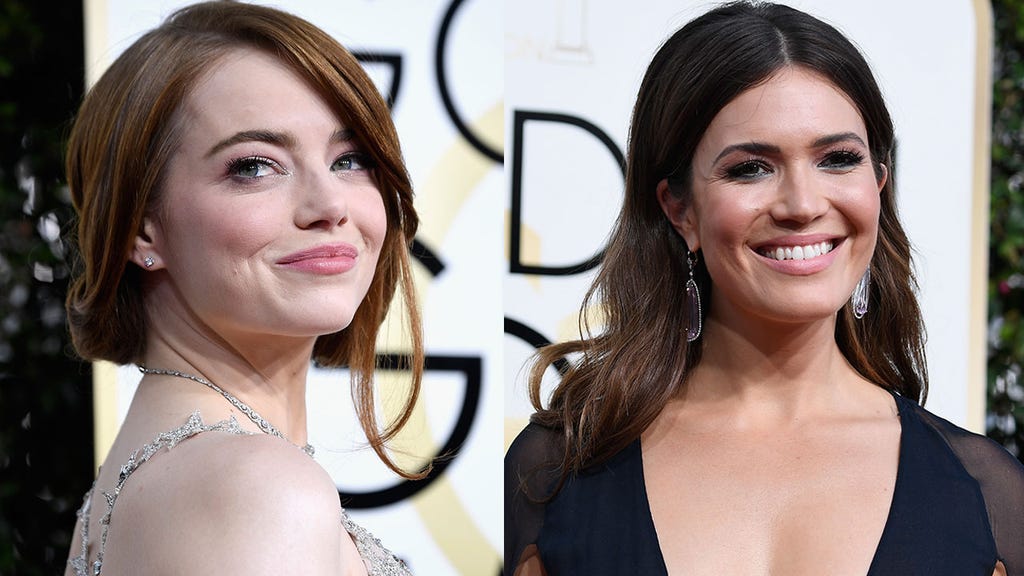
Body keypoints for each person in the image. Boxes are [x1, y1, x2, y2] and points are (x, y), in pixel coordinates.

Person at [504, 2, 1024, 575]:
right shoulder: (554, 471)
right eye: (750, 168)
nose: (802, 205)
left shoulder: (988, 493)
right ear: (679, 209)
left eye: (838, 159)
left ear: (879, 182)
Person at [63, 2, 425, 574]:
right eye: (255, 166)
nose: (329, 205)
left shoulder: (170, 471)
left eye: (350, 159)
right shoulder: (255, 489)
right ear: (140, 227)